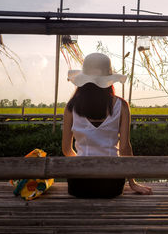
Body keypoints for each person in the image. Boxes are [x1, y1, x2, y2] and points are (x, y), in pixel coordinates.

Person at [62, 52, 153, 198]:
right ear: (108, 80)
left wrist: (81, 164)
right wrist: (133, 183)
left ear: (83, 80)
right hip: (111, 185)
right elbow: (124, 148)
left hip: (78, 185)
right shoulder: (122, 106)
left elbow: (66, 150)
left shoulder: (71, 107)